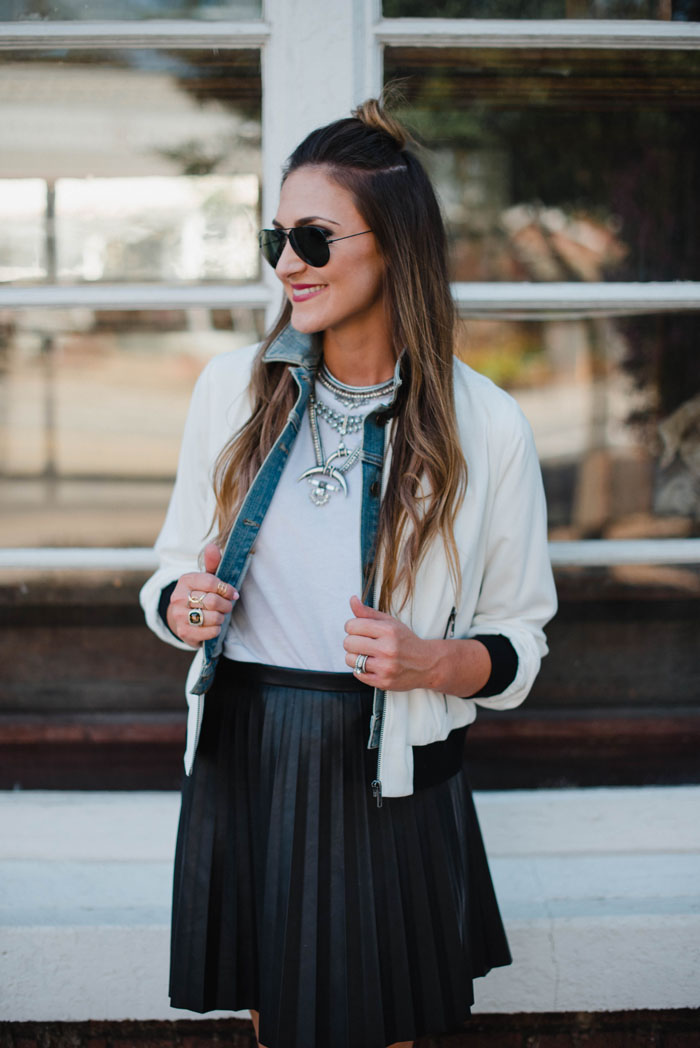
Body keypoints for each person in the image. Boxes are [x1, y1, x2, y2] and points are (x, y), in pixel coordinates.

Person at [140, 97, 557, 1048]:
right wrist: (185, 604)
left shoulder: (485, 424)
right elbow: (167, 574)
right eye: (275, 236)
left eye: (314, 238)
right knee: (274, 1023)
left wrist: (431, 663)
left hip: (392, 764)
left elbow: (521, 640)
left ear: (395, 244)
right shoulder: (229, 391)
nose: (288, 261)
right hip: (250, 740)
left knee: (395, 1025)